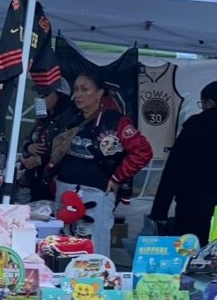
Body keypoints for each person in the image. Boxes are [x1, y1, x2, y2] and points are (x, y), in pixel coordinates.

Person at [50, 70, 153, 256]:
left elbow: (143, 151)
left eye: (85, 89)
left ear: (99, 93)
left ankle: (98, 280)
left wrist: (117, 177)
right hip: (65, 189)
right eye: (76, 89)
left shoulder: (115, 121)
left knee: (95, 243)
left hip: (95, 192)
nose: (78, 95)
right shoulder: (69, 117)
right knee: (64, 241)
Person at [150, 80, 217, 244]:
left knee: (188, 253)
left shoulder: (195, 125)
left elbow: (173, 168)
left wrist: (159, 211)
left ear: (209, 102)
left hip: (191, 203)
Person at [19, 79, 73, 202]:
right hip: (34, 178)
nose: (42, 98)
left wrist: (39, 160)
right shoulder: (44, 116)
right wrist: (28, 147)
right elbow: (28, 138)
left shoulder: (68, 119)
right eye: (41, 95)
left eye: (46, 94)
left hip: (52, 183)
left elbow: (63, 149)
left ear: (60, 95)